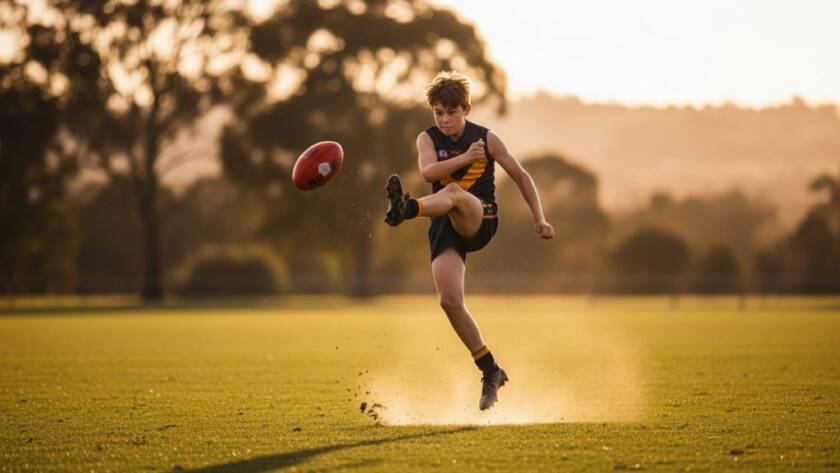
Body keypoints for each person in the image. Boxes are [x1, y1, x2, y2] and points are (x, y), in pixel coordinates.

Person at [384, 71, 555, 410]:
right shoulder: (427, 139)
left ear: (467, 109)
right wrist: (465, 158)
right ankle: (491, 370)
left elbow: (521, 176)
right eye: (438, 112)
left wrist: (540, 217)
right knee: (449, 302)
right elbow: (428, 173)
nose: (444, 119)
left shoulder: (487, 139)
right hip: (444, 224)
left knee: (454, 193)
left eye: (451, 112)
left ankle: (407, 209)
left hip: (481, 217)